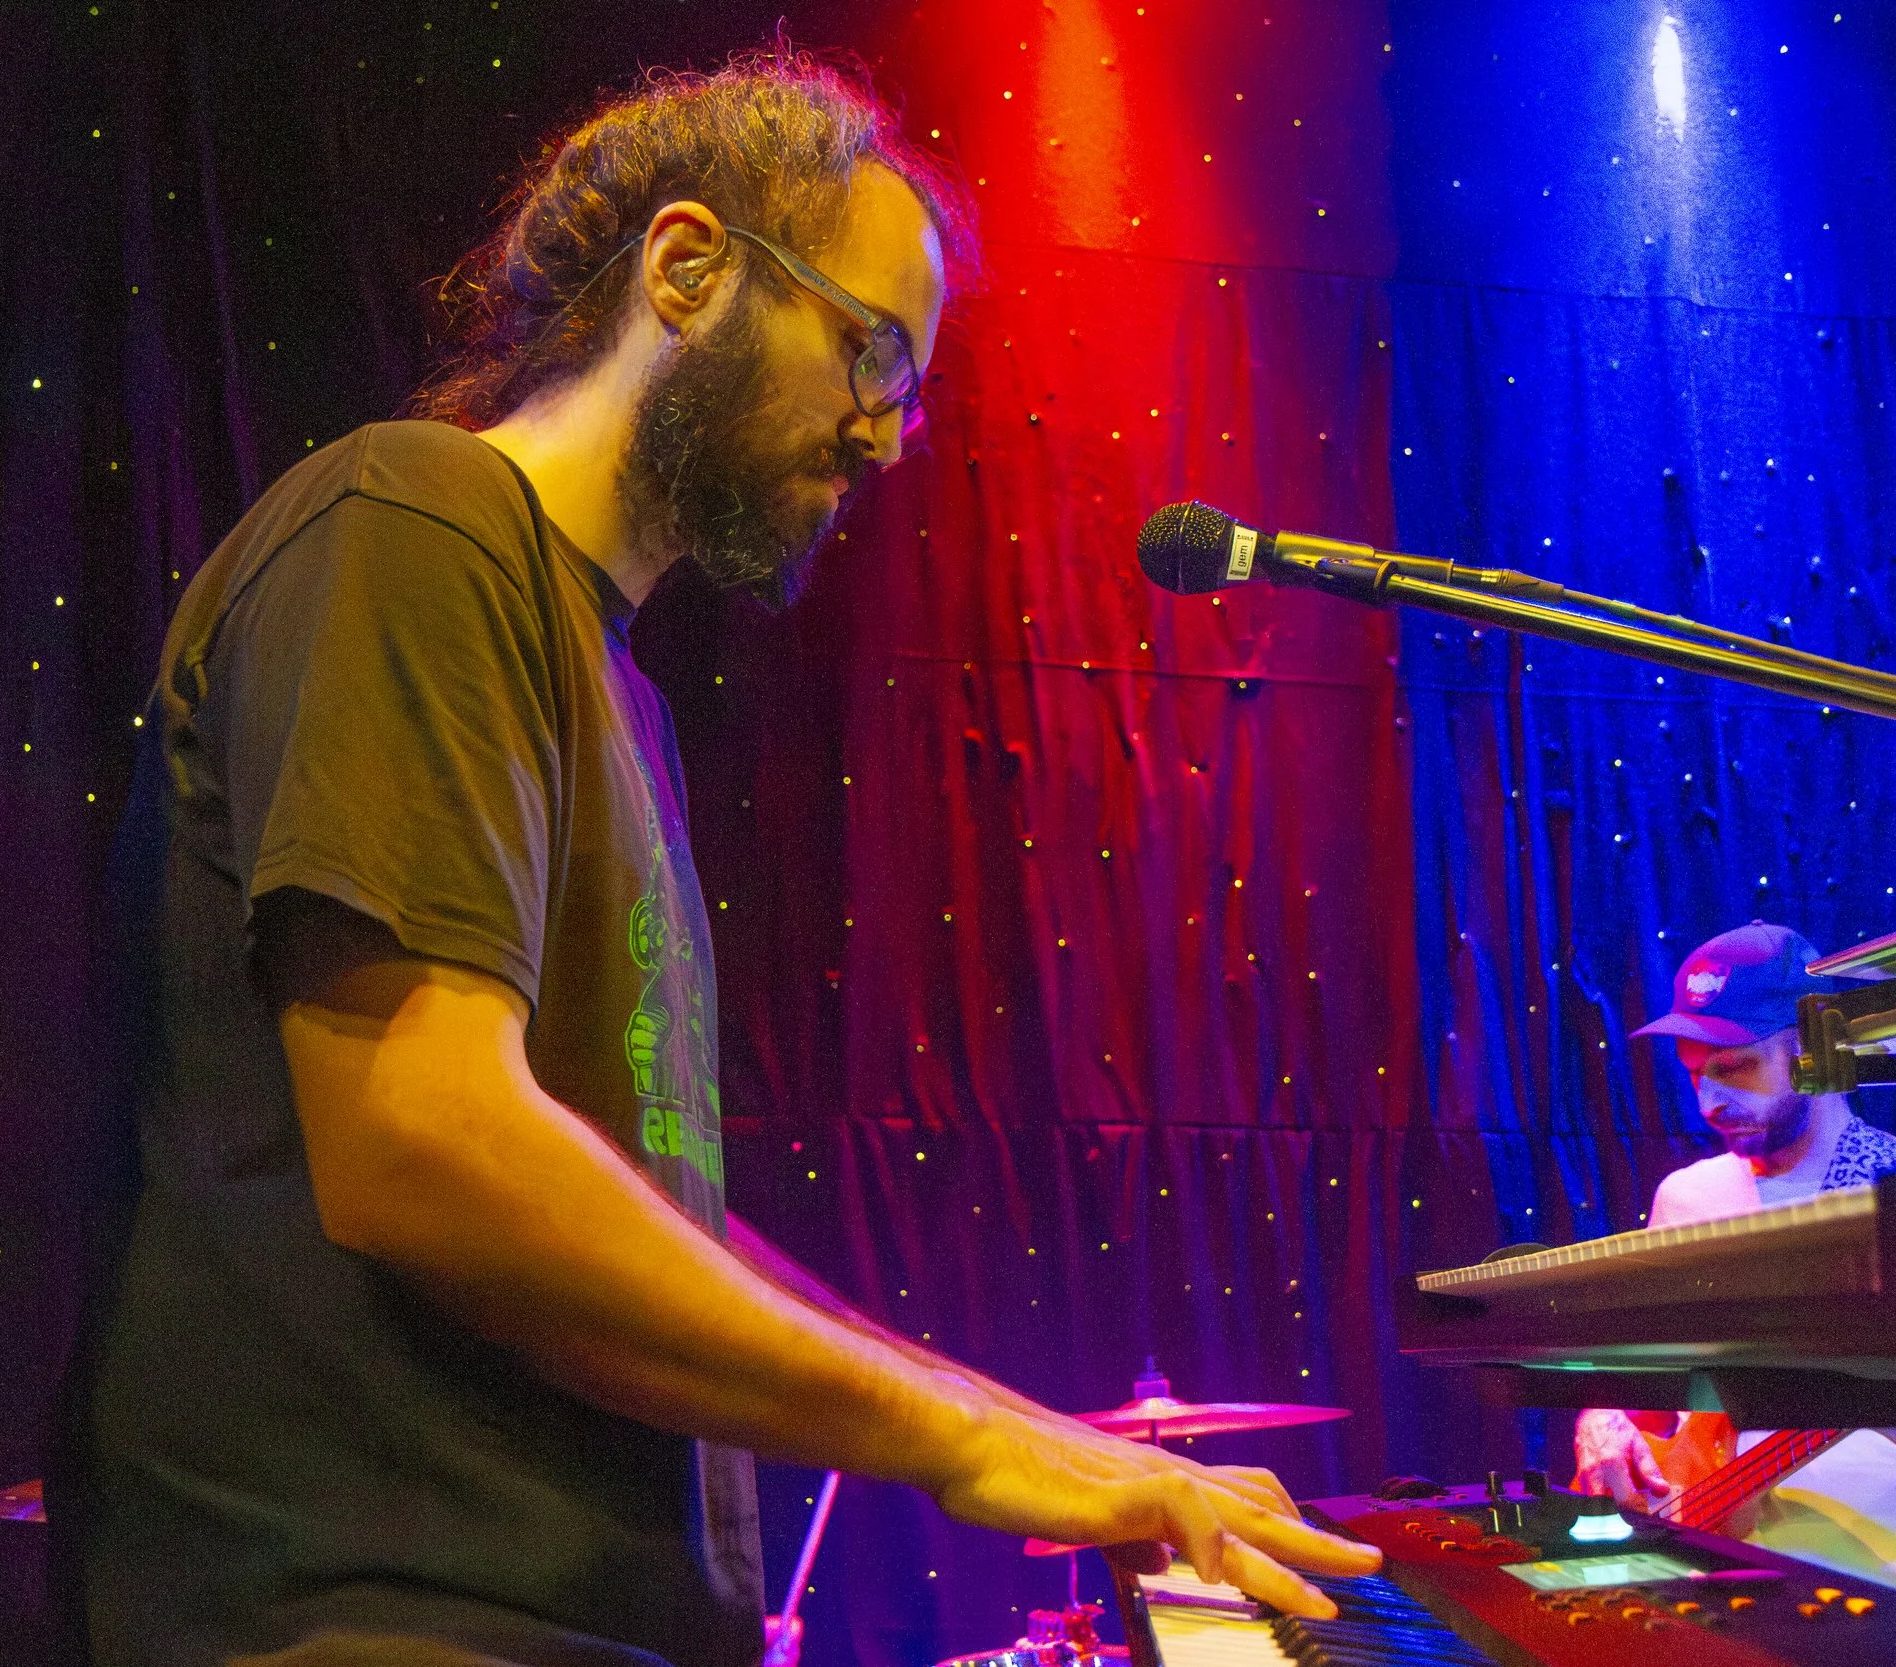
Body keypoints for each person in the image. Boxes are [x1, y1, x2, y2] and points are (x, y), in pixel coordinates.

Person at [81, 55, 1377, 1667]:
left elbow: (638, 1204)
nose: (888, 439)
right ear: (688, 268)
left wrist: (1025, 1419)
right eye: (872, 350)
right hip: (383, 1618)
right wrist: (967, 1443)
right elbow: (423, 1131)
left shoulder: (612, 687)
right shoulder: (410, 521)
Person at [1571, 922, 1896, 1603]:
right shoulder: (1686, 1197)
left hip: (1873, 1597)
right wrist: (1600, 1421)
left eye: (1734, 1067)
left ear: (1812, 1047)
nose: (1708, 1103)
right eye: (1695, 1073)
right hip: (1702, 1584)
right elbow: (1646, 1390)